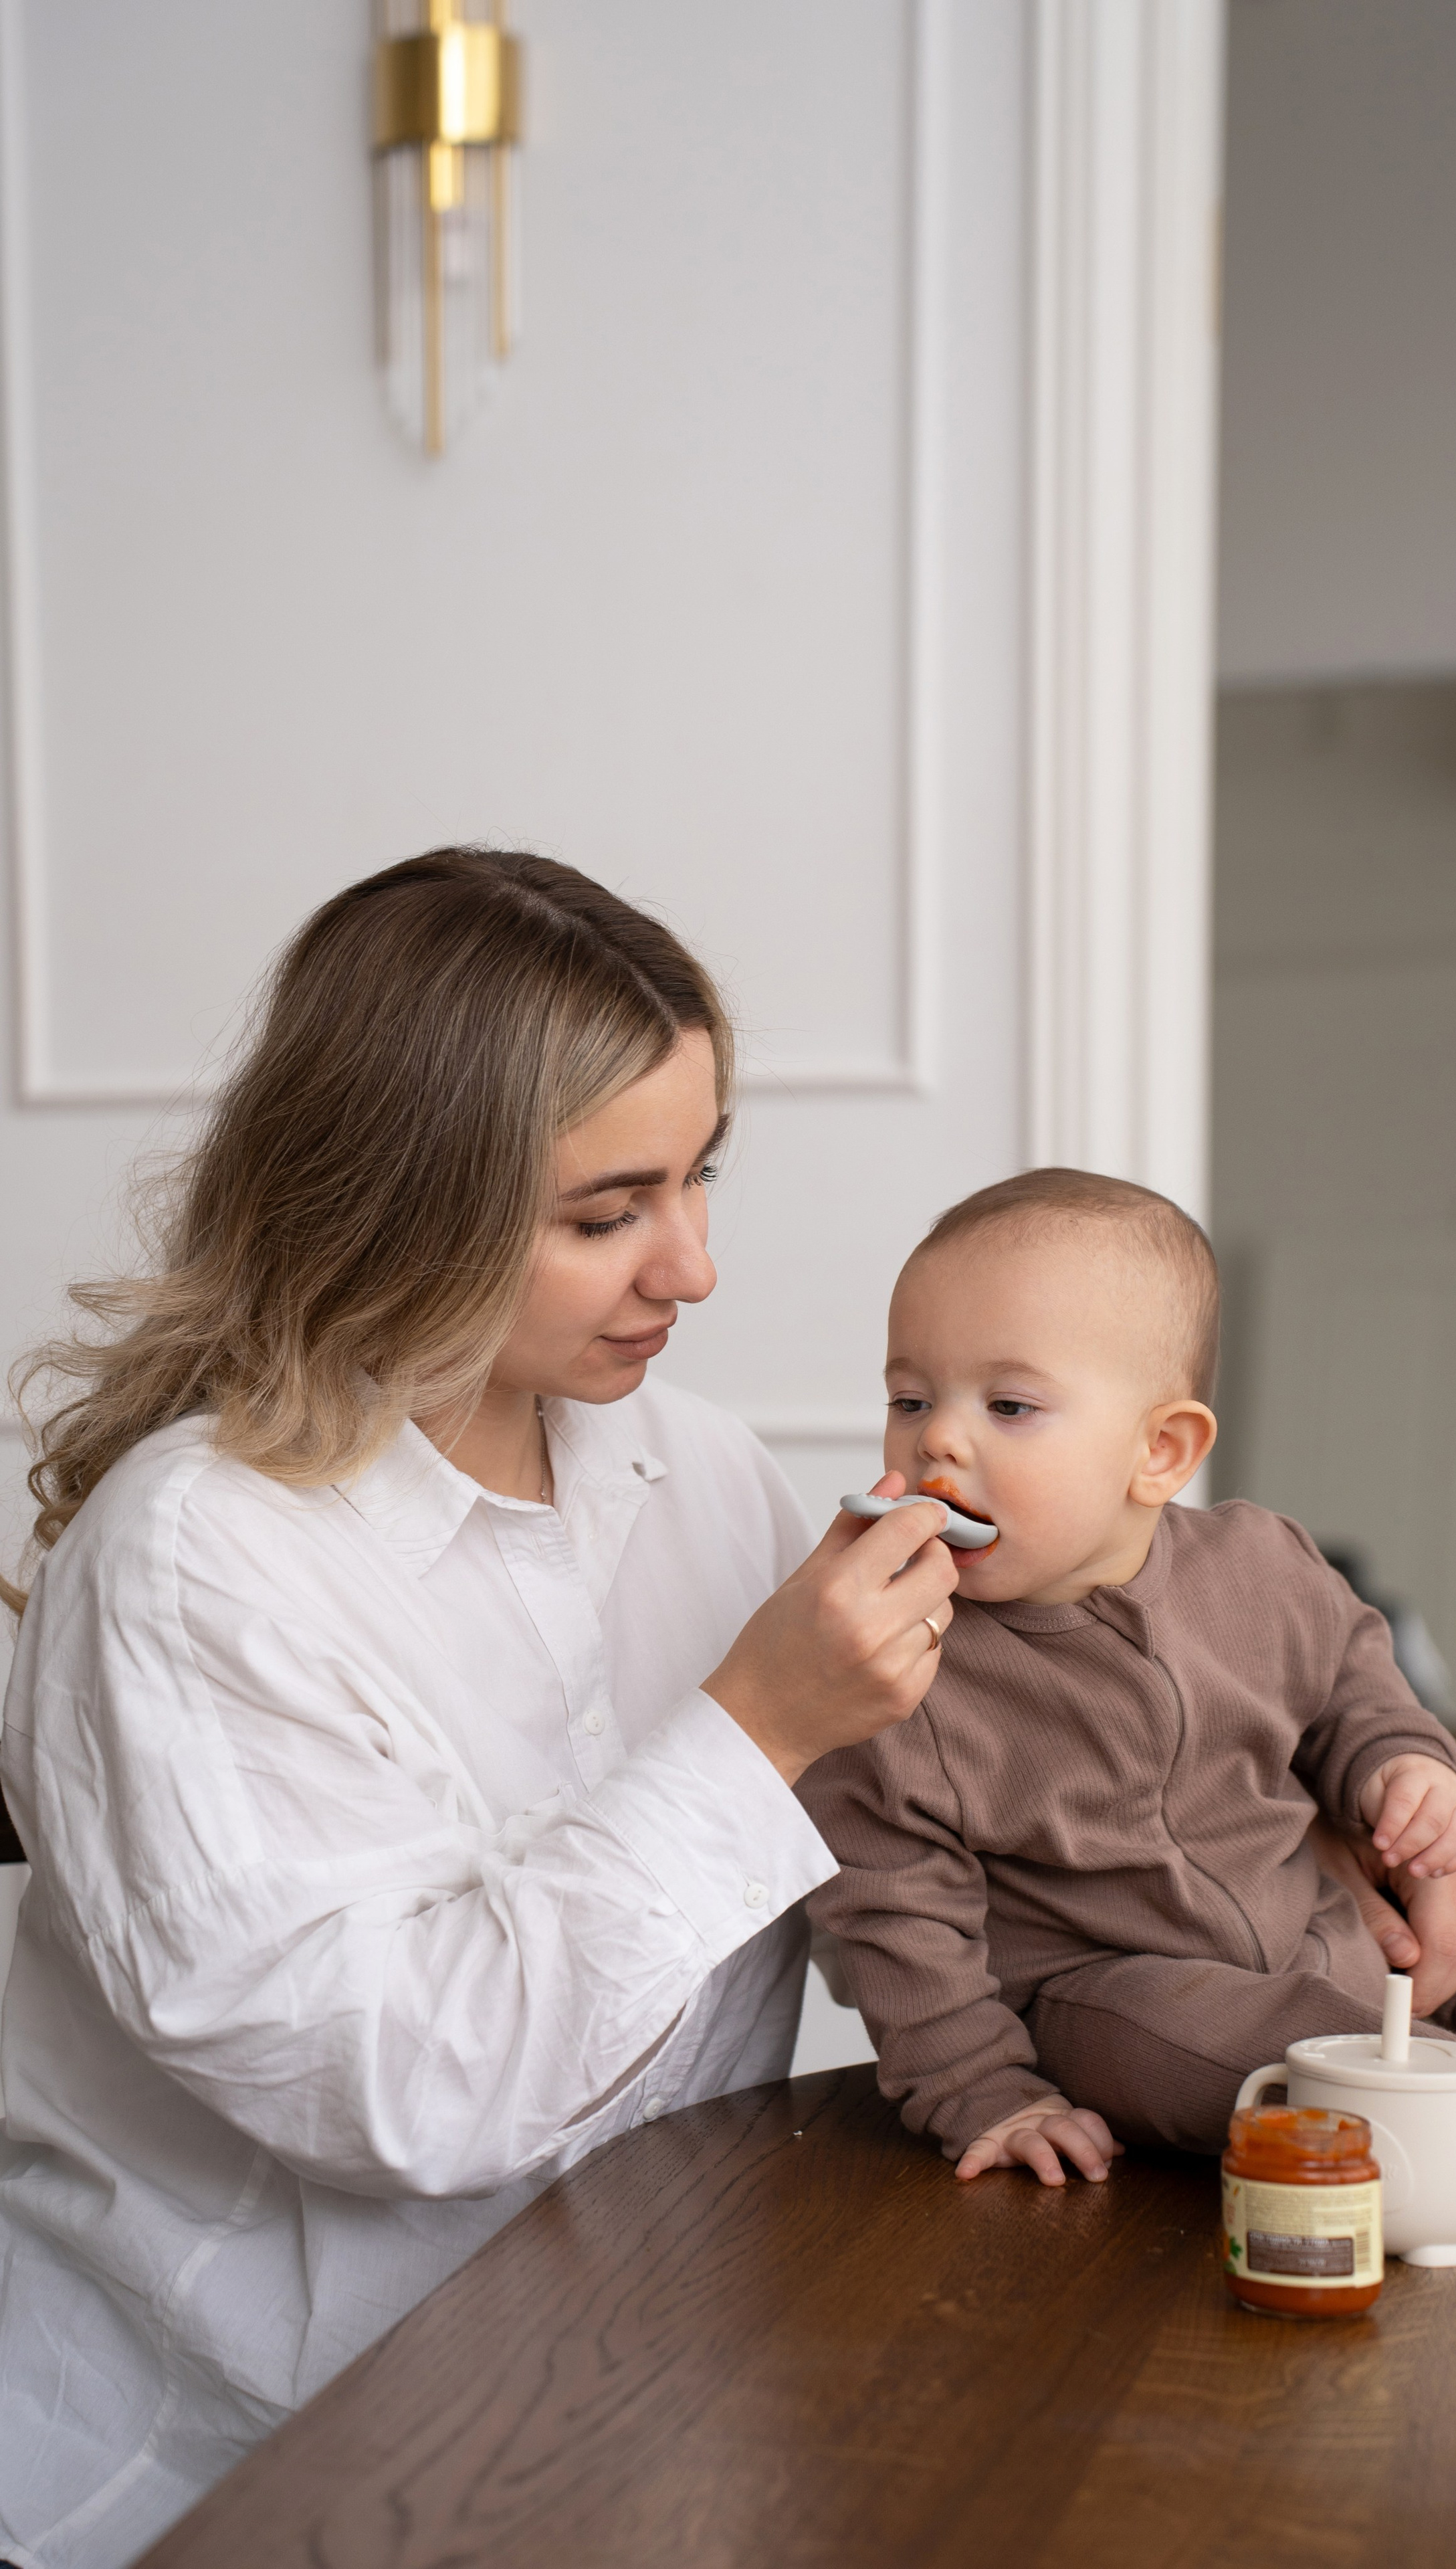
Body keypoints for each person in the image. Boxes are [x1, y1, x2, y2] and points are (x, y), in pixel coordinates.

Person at [0, 850, 963, 2569]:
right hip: (231, 2480)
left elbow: (934, 1856)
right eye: (608, 1214)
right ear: (402, 1200)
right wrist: (753, 1728)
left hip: (625, 2408)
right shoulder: (195, 1561)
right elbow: (410, 2101)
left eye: (698, 1180)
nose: (694, 1267)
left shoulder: (699, 1469)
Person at [802, 1167, 1456, 2244]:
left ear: (1162, 1452)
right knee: (1184, 2043)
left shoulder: (1258, 1563)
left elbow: (1355, 1687)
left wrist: (1399, 1767)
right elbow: (892, 1916)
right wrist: (983, 2094)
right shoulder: (893, 1661)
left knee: (1452, 1848)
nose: (937, 1442)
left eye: (1007, 1406)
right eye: (911, 1398)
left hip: (1318, 1916)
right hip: (1117, 1985)